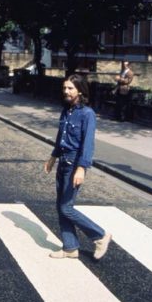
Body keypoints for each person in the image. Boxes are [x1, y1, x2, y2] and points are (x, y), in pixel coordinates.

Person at [44, 74, 112, 260]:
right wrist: (52, 157)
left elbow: (88, 144)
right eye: (64, 88)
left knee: (66, 207)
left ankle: (100, 236)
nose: (66, 91)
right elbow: (61, 137)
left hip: (74, 163)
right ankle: (70, 247)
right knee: (61, 206)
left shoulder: (87, 114)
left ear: (80, 91)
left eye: (70, 88)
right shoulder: (67, 110)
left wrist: (82, 168)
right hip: (63, 161)